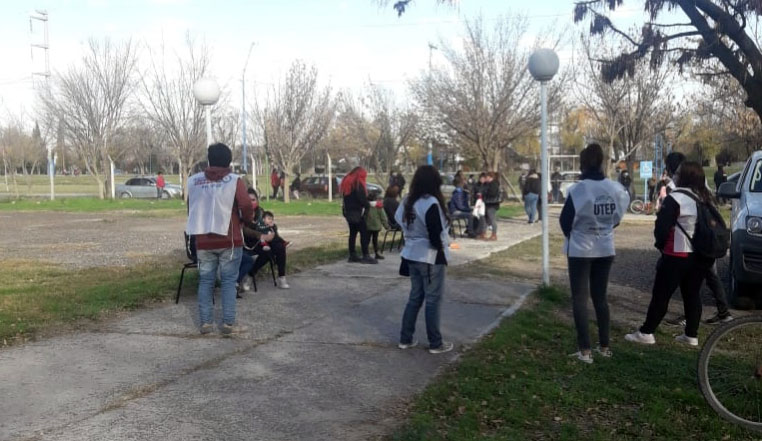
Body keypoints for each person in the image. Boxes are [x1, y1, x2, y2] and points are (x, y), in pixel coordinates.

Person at [625, 161, 718, 347]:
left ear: (684, 176)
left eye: (677, 172)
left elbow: (662, 228)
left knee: (661, 294)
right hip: (699, 255)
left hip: (676, 253)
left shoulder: (675, 198)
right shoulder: (704, 198)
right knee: (692, 295)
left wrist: (660, 245)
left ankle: (646, 332)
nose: (674, 175)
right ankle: (691, 335)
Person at [560, 143, 630, 363]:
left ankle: (585, 350)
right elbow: (617, 218)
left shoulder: (579, 189)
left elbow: (565, 221)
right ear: (602, 162)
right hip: (605, 247)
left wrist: (578, 233)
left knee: (580, 299)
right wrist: (603, 228)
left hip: (580, 249)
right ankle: (605, 345)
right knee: (600, 298)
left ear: (582, 164)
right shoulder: (617, 189)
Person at [186, 143, 254, 336]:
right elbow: (246, 205)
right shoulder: (234, 180)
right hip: (229, 239)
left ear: (209, 159)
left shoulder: (194, 181)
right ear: (229, 160)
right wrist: (245, 220)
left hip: (203, 239)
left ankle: (206, 323)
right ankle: (228, 324)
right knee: (228, 281)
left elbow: (190, 207)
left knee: (206, 281)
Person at [395, 165, 454, 354]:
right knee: (432, 300)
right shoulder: (430, 203)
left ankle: (405, 338)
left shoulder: (407, 201)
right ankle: (435, 343)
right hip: (429, 255)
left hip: (411, 253)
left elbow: (398, 220)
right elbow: (435, 233)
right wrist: (442, 254)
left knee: (415, 297)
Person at [241, 189, 291, 290]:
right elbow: (245, 230)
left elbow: (269, 225)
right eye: (249, 200)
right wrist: (260, 235)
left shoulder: (261, 212)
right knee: (268, 252)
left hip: (265, 240)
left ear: (258, 200)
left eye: (254, 200)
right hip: (250, 242)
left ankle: (282, 277)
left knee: (279, 247)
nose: (251, 202)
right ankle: (250, 275)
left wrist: (272, 228)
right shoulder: (242, 213)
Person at [342, 166, 376, 264]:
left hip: (349, 212)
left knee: (352, 234)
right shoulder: (358, 184)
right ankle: (366, 255)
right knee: (364, 233)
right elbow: (361, 199)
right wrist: (368, 203)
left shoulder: (347, 182)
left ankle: (352, 254)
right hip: (358, 212)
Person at [366, 192, 389, 260]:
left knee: (366, 240)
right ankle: (377, 253)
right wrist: (386, 226)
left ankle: (366, 253)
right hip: (376, 226)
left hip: (367, 226)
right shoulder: (379, 206)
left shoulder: (366, 206)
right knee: (375, 240)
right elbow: (383, 217)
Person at [482, 172, 501, 240]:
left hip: (492, 204)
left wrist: (485, 193)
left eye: (486, 177)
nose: (485, 178)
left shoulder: (494, 184)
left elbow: (492, 193)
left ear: (490, 177)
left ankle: (494, 234)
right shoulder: (487, 184)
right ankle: (483, 233)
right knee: (485, 219)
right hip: (486, 203)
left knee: (492, 219)